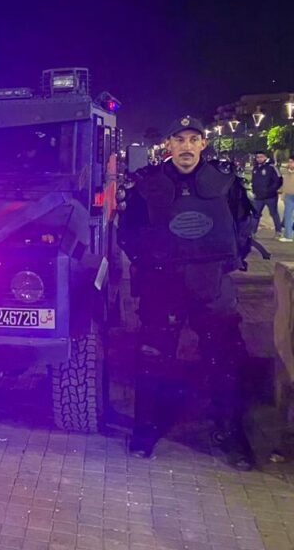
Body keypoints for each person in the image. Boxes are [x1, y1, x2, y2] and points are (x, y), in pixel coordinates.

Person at [118, 116, 256, 470]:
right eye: (179, 140)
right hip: (163, 285)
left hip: (212, 285)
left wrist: (225, 264)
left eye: (194, 140)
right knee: (153, 358)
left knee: (224, 360)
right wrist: (149, 263)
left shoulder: (225, 182)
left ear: (203, 144)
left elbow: (244, 225)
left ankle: (229, 432)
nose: (186, 147)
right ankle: (146, 430)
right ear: (169, 145)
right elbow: (128, 232)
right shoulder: (147, 184)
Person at [250, 150, 283, 237]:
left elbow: (279, 180)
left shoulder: (271, 167)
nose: (259, 159)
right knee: (255, 215)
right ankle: (252, 232)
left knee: (274, 214)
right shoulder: (255, 168)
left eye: (261, 157)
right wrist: (254, 190)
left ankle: (278, 231)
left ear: (265, 157)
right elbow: (254, 181)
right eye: (257, 157)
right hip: (258, 197)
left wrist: (271, 190)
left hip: (270, 197)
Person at [281, 157, 294, 243]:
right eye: (289, 162)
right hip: (289, 195)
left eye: (292, 162)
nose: (290, 164)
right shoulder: (286, 171)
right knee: (288, 215)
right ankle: (288, 235)